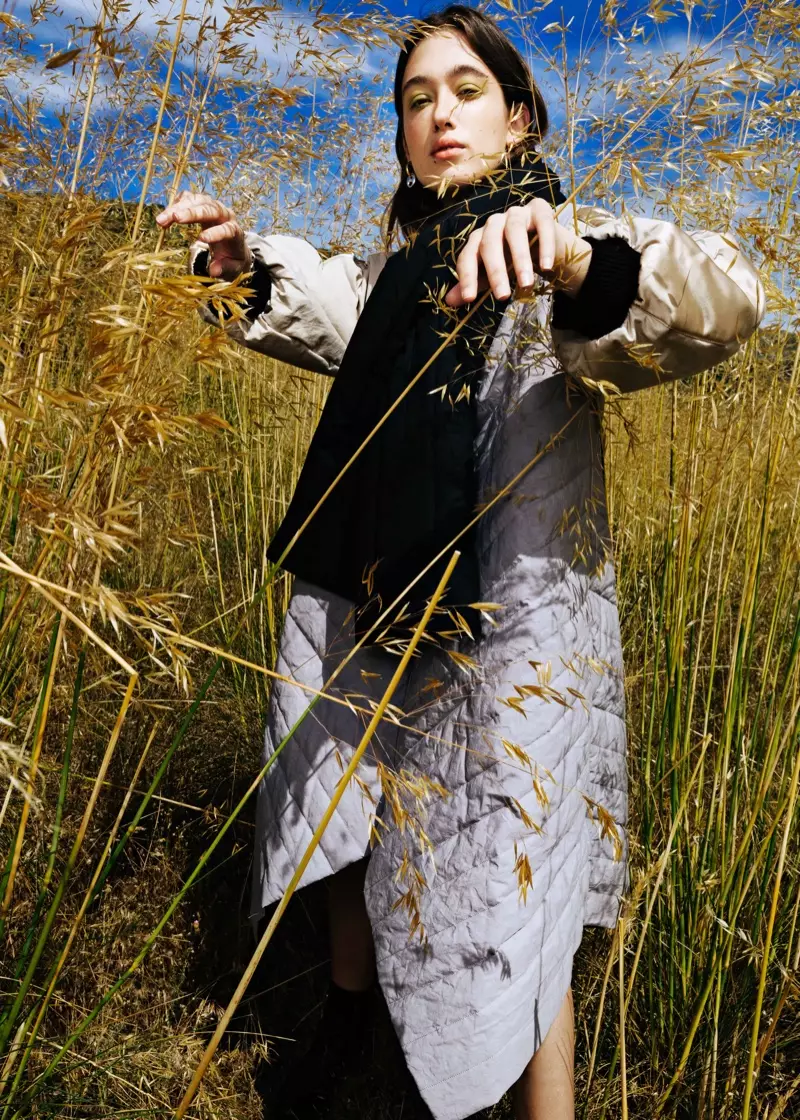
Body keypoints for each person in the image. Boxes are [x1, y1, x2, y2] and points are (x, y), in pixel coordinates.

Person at [156, 6, 764, 1118]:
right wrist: (245, 269)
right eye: (415, 97)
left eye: (466, 90)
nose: (438, 115)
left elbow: (720, 302)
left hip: (509, 619)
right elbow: (334, 309)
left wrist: (576, 259)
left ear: (519, 116)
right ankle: (346, 1031)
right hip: (364, 583)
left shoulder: (559, 242)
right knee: (344, 797)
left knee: (508, 868)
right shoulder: (403, 264)